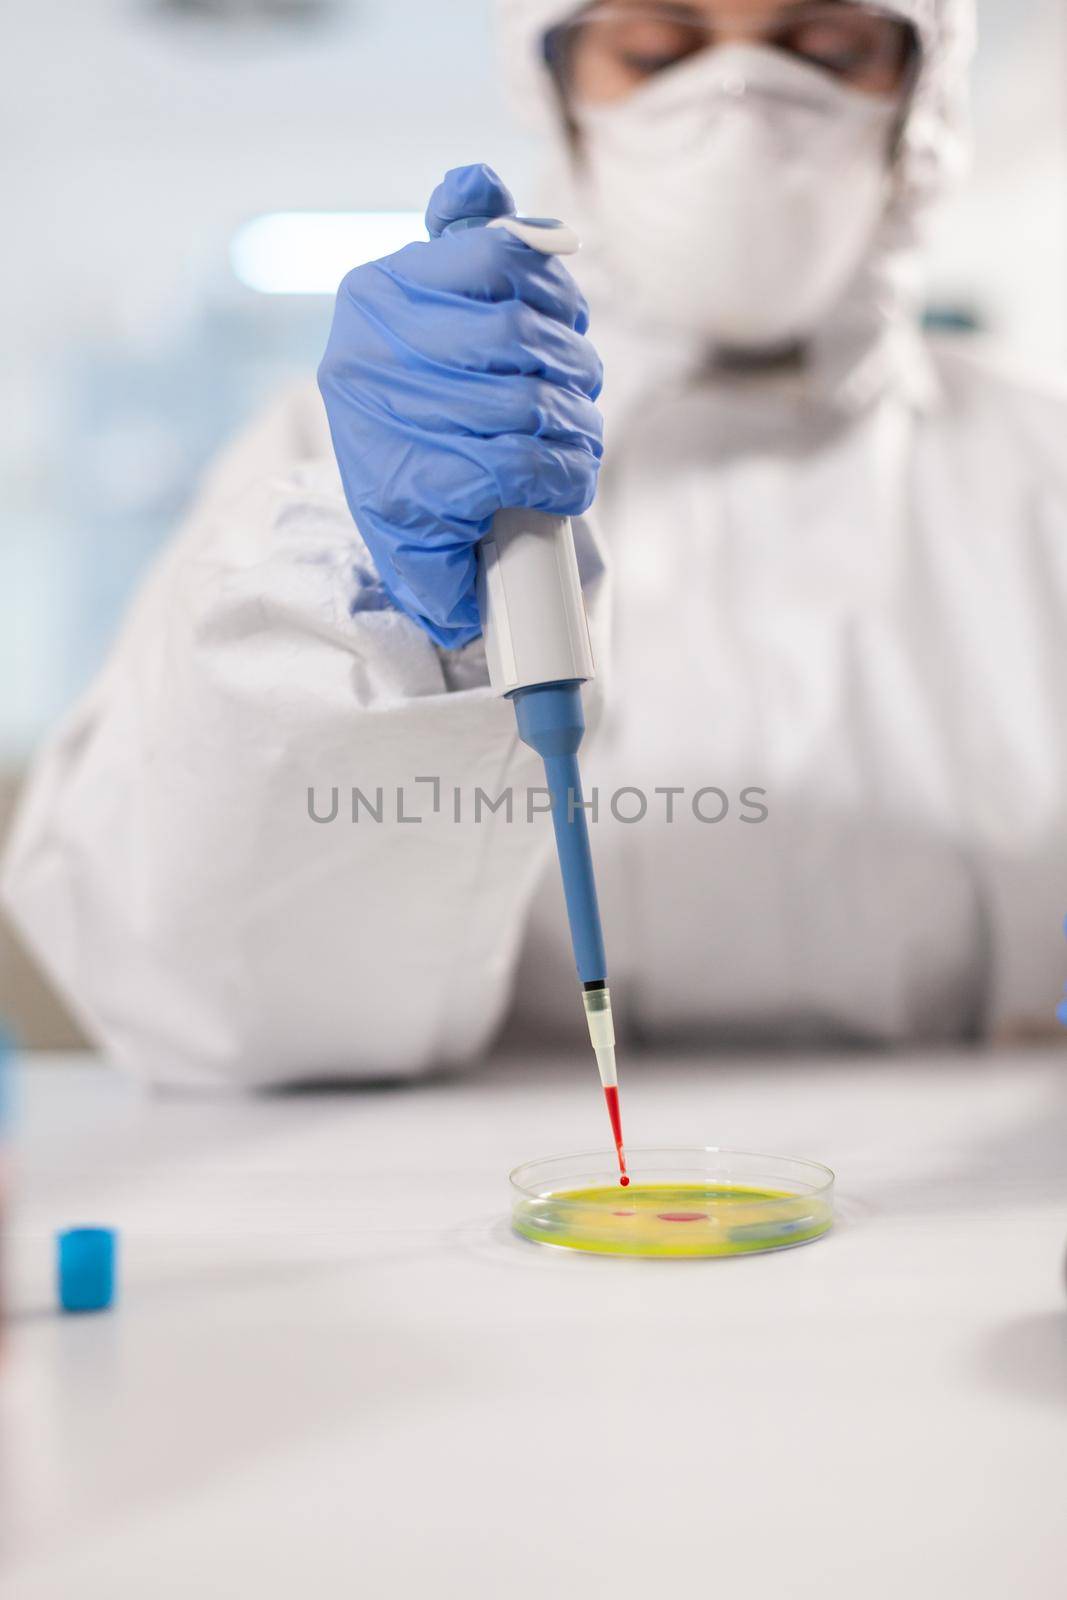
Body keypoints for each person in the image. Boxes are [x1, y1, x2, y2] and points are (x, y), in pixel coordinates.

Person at [4, 0, 1067, 1089]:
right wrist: (372, 620)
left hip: (956, 1228)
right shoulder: (342, 462)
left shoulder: (1039, 474)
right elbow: (167, 980)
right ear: (555, 85)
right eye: (656, 48)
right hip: (471, 1220)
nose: (739, 104)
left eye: (828, 48)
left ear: (920, 92)